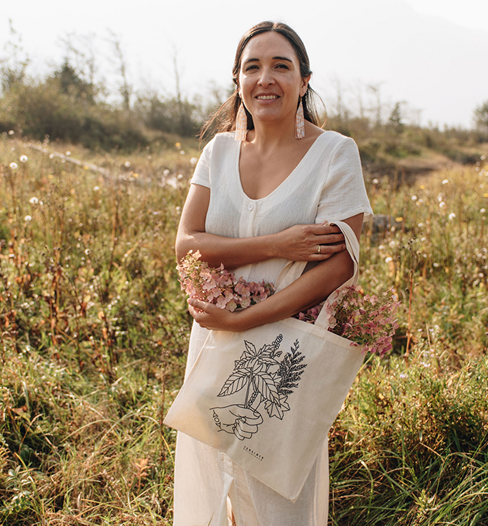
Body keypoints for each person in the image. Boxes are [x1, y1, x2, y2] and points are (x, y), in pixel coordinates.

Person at [173, 21, 373, 526]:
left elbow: (339, 264)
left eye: (281, 66)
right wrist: (276, 244)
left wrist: (249, 318)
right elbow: (186, 243)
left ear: (304, 80)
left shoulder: (335, 153)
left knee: (278, 493)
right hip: (213, 339)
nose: (266, 78)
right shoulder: (218, 152)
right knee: (211, 486)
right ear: (237, 81)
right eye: (252, 67)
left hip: (282, 348)